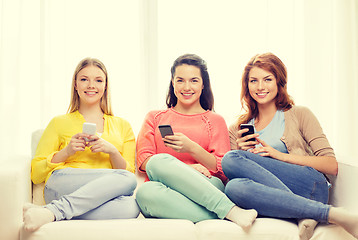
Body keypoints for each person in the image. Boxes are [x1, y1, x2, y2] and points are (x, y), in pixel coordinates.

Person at [221, 52, 358, 239]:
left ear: (279, 82)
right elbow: (233, 178)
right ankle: (308, 212)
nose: (260, 87)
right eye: (253, 81)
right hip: (274, 198)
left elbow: (331, 165)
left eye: (267, 79)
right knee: (233, 188)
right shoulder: (236, 129)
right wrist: (244, 153)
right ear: (246, 86)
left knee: (230, 158)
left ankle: (320, 211)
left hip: (309, 186)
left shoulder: (299, 114)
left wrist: (280, 156)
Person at [135, 53, 257, 230]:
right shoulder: (154, 117)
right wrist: (188, 168)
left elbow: (222, 170)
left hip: (207, 185)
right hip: (164, 188)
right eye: (180, 80)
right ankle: (227, 212)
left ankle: (224, 208)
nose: (186, 87)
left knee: (162, 165)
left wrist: (192, 148)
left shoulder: (215, 121)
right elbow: (145, 161)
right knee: (146, 190)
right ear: (172, 82)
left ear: (203, 84)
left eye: (193, 80)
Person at [23, 57, 140, 231]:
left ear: (105, 86)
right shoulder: (58, 122)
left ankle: (52, 211)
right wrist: (67, 151)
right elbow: (36, 174)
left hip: (97, 195)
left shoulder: (123, 126)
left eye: (98, 80)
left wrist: (113, 152)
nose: (91, 85)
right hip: (61, 184)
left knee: (131, 207)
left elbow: (127, 178)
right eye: (84, 79)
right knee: (127, 180)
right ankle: (57, 208)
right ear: (75, 85)